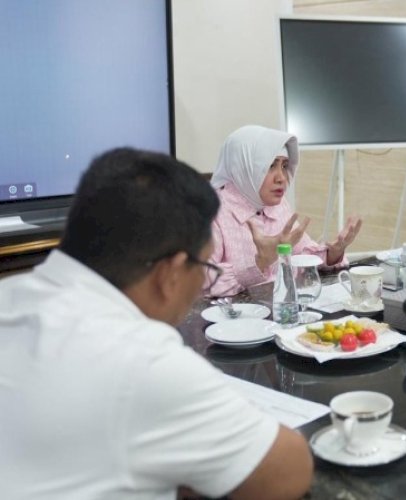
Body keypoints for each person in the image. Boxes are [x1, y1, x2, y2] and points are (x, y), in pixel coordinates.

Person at [0, 148, 313, 499]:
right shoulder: (143, 361)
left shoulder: (9, 296)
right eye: (206, 267)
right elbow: (290, 471)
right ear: (171, 273)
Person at [208, 125, 362, 297]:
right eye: (270, 166)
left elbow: (301, 253)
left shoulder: (275, 204)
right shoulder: (210, 210)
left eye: (284, 166)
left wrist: (332, 254)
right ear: (242, 166)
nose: (281, 177)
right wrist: (260, 262)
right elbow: (199, 280)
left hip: (279, 311)